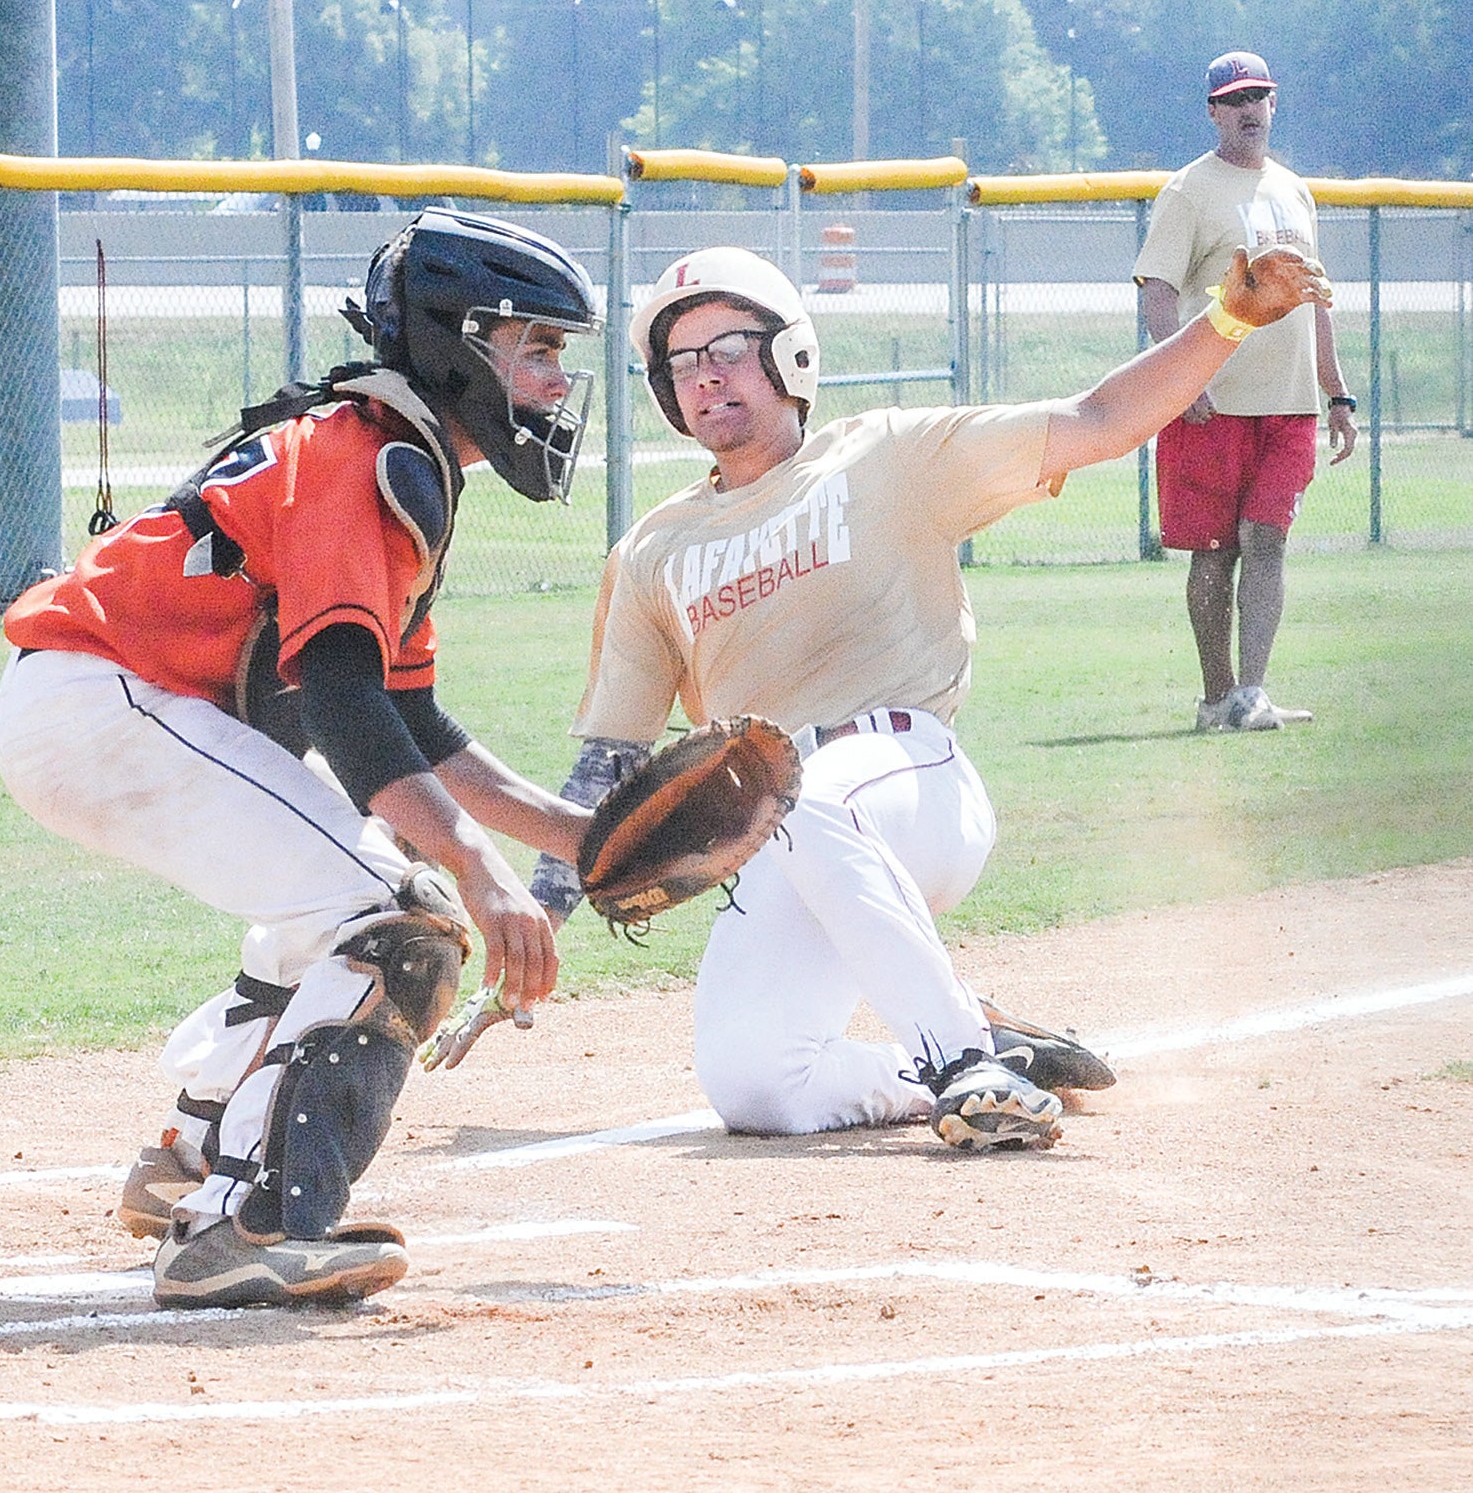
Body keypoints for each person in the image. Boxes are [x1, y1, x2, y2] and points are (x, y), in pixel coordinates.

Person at [522, 240, 1331, 1153]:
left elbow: (1098, 417)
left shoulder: (884, 456)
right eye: (681, 364)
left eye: (727, 347)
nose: (704, 377)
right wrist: (535, 920)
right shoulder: (651, 553)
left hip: (910, 783)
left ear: (790, 357)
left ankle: (963, 1068)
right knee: (756, 1084)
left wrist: (1225, 318)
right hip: (785, 840)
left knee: (805, 790)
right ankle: (975, 1049)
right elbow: (608, 766)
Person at [0, 209, 600, 1308]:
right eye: (536, 346)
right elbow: (338, 696)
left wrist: (575, 838)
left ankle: (190, 1159)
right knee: (400, 921)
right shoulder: (361, 456)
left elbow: (407, 715)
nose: (555, 379)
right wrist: (476, 867)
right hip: (106, 700)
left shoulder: (384, 451)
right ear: (458, 341)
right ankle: (243, 1223)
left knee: (335, 898)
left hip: (101, 704)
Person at [1135, 50, 1358, 732]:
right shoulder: (1188, 190)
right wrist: (1180, 377)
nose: (1248, 109)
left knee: (1267, 540)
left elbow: (1314, 298)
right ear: (1211, 112)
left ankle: (1251, 694)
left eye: (1258, 96)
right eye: (1233, 99)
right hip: (1212, 404)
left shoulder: (1293, 190)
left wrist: (1337, 395)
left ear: (1272, 104)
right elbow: (1157, 289)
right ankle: (1215, 698)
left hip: (1286, 405)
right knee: (1214, 551)